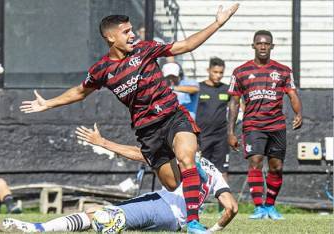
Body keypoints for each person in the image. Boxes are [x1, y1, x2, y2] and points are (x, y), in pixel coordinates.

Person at [20, 6, 239, 233]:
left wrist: (218, 23)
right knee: (173, 183)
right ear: (111, 37)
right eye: (126, 32)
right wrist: (48, 103)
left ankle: (193, 223)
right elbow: (79, 92)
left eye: (132, 30)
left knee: (186, 158)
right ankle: (196, 176)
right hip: (148, 132)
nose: (133, 35)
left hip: (173, 116)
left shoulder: (145, 49)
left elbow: (185, 45)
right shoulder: (102, 70)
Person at [0, 124, 237, 233]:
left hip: (162, 207)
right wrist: (210, 230)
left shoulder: (183, 161)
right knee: (97, 213)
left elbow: (139, 155)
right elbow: (231, 208)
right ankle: (36, 228)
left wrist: (103, 142)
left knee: (106, 217)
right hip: (174, 221)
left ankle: (36, 229)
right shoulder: (213, 172)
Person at [227, 30, 303, 220]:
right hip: (253, 125)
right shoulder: (240, 71)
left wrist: (298, 113)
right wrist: (231, 132)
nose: (263, 47)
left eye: (266, 44)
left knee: (276, 167)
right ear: (253, 46)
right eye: (259, 43)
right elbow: (234, 102)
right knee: (255, 162)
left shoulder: (283, 70)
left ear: (272, 46)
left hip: (276, 125)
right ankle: (259, 207)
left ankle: (270, 206)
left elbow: (292, 94)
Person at [196, 57, 230, 212]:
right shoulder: (199, 88)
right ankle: (197, 204)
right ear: (208, 71)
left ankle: (224, 207)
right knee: (199, 169)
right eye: (215, 72)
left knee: (222, 171)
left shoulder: (226, 89)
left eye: (221, 73)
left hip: (221, 137)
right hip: (202, 137)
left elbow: (239, 106)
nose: (218, 75)